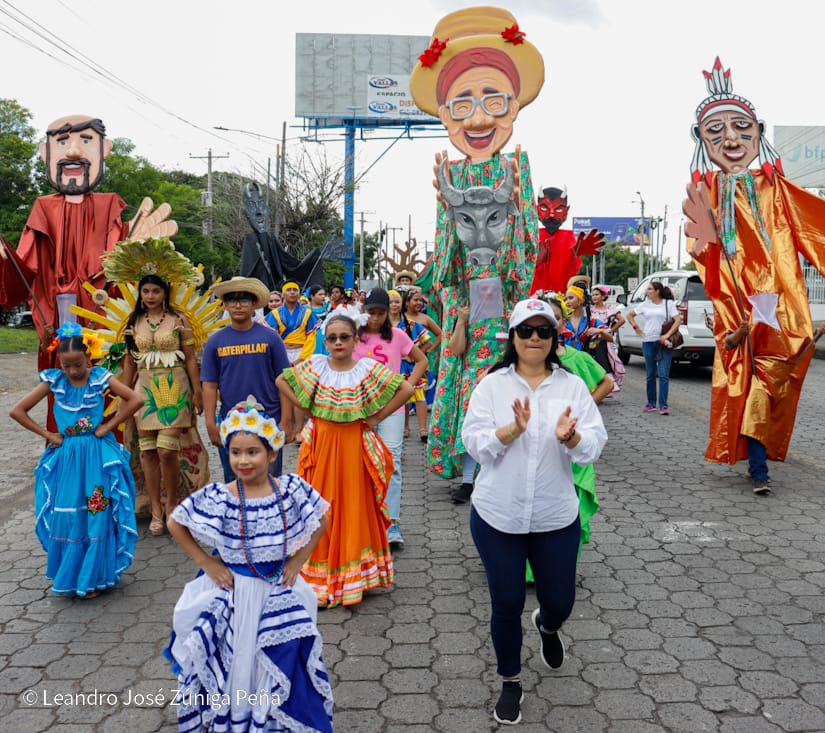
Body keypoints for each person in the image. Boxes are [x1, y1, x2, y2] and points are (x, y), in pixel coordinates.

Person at [409, 7, 543, 482]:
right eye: (463, 104)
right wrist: (458, 304)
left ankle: (504, 465)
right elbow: (445, 250)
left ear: (513, 106)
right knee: (464, 383)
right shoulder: (451, 173)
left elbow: (528, 243)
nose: (481, 117)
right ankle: (468, 470)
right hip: (462, 309)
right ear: (446, 114)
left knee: (502, 384)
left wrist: (515, 220)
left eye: (495, 101)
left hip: (504, 310)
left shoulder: (515, 169)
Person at [683, 57, 825, 493]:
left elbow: (816, 231)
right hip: (737, 314)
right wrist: (705, 239)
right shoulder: (707, 192)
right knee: (746, 386)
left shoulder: (775, 188)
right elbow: (703, 257)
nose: (730, 139)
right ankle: (758, 468)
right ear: (701, 139)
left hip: (780, 312)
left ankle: (757, 460)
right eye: (715, 131)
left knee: (767, 388)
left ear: (758, 132)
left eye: (742, 127)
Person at [462, 298, 607, 725]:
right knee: (506, 601)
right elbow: (473, 441)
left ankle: (547, 624)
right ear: (513, 336)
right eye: (526, 330)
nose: (534, 338)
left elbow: (595, 443)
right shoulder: (492, 385)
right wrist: (511, 430)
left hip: (554, 515)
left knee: (560, 602)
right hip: (498, 515)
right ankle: (510, 680)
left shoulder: (571, 387)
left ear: (554, 338)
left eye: (544, 331)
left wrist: (571, 438)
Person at [165, 397, 333, 732]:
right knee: (240, 659)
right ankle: (238, 717)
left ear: (272, 453)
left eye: (253, 452)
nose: (243, 461)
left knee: (277, 657)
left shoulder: (290, 490)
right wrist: (206, 562)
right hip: (236, 596)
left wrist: (298, 560)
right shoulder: (221, 496)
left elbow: (322, 518)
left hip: (279, 593)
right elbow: (175, 522)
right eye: (235, 452)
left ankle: (271, 719)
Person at [0, 115, 174, 429]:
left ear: (104, 149)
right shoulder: (43, 209)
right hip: (58, 320)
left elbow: (127, 274)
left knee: (108, 387)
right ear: (45, 152)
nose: (73, 151)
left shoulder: (109, 208)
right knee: (62, 389)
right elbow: (23, 276)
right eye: (61, 142)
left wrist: (139, 253)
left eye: (85, 140)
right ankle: (64, 445)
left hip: (102, 321)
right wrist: (5, 259)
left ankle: (108, 444)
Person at [276, 315, 414, 607]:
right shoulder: (316, 365)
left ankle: (354, 578)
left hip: (354, 446)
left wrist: (376, 418)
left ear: (354, 340)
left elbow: (406, 389)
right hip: (322, 445)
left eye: (344, 337)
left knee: (353, 505)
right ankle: (322, 574)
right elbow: (281, 380)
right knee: (321, 504)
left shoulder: (366, 368)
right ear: (325, 342)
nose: (338, 342)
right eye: (332, 338)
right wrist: (309, 408)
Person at [10, 325, 143, 597]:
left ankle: (92, 578)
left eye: (78, 364)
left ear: (88, 358)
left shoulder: (100, 378)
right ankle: (70, 576)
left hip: (96, 456)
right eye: (66, 365)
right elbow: (17, 411)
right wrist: (48, 434)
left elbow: (135, 399)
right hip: (68, 458)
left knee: (97, 512)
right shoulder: (54, 381)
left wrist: (108, 426)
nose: (72, 371)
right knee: (68, 513)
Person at [120, 273, 203, 535]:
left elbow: (191, 359)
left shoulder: (179, 320)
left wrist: (197, 391)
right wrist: (124, 395)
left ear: (165, 292)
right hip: (144, 392)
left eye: (156, 291)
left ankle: (172, 502)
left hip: (176, 388)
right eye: (146, 291)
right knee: (148, 452)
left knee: (166, 450)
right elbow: (130, 361)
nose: (150, 296)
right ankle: (155, 508)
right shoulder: (134, 321)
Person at [354, 289, 428, 547]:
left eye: (380, 313)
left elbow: (421, 360)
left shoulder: (397, 336)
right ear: (364, 311)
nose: (375, 318)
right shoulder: (354, 335)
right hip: (359, 409)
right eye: (371, 312)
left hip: (392, 408)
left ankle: (391, 522)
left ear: (388, 313)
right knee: (361, 465)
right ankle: (364, 520)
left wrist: (408, 385)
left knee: (391, 462)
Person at [202, 276, 291, 484]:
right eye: (232, 300)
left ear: (254, 305)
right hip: (230, 422)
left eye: (244, 300)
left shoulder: (271, 338)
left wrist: (286, 421)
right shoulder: (215, 342)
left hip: (269, 420)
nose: (238, 305)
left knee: (270, 481)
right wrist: (210, 423)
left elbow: (284, 381)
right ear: (225, 305)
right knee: (234, 481)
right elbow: (209, 385)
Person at [625, 281, 681, 415]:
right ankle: (651, 403)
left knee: (663, 375)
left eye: (650, 289)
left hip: (664, 343)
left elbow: (677, 320)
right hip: (648, 342)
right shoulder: (645, 304)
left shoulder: (668, 303)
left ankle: (663, 406)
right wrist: (637, 329)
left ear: (657, 291)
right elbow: (630, 315)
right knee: (650, 374)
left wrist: (667, 335)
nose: (647, 291)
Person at [401, 288, 442, 442]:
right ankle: (405, 427)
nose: (419, 303)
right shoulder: (399, 318)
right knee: (403, 394)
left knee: (420, 395)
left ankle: (423, 429)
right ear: (406, 302)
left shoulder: (425, 319)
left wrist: (428, 350)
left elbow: (440, 334)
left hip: (420, 363)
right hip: (403, 363)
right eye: (415, 300)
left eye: (420, 300)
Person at [590, 284, 626, 391]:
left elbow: (622, 320)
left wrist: (610, 331)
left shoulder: (610, 308)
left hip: (605, 340)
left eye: (597, 294)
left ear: (603, 296)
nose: (594, 297)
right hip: (591, 340)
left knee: (606, 360)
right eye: (593, 295)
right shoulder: (590, 309)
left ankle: (608, 384)